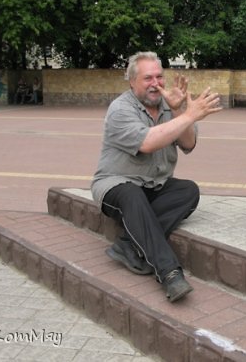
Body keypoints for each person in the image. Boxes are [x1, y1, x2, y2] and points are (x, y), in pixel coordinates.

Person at [91, 51, 222, 302]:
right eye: (147, 78)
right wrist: (190, 115)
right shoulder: (120, 109)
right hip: (116, 185)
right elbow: (148, 143)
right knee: (132, 195)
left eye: (159, 77)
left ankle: (129, 245)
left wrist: (177, 110)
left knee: (188, 191)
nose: (156, 83)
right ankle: (169, 273)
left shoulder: (168, 107)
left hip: (154, 185)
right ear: (132, 82)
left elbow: (189, 144)